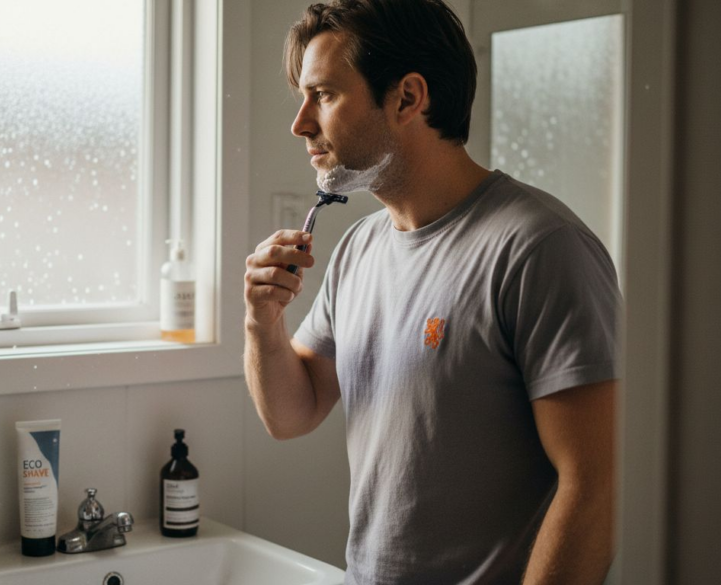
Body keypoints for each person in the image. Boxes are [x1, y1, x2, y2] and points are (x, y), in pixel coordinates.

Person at [242, 1, 620, 583]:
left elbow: (594, 488)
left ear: (408, 98)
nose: (301, 124)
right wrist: (261, 322)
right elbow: (292, 414)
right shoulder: (359, 248)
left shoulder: (540, 247)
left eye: (323, 95)